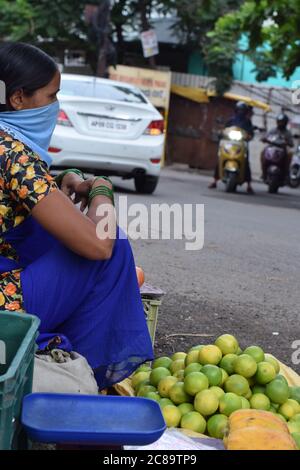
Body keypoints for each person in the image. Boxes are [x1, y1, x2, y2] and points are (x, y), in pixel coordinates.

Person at [0, 42, 153, 389]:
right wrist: (102, 190)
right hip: (3, 304)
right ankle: (86, 368)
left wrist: (59, 182)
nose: (56, 106)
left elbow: (15, 197)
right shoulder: (12, 154)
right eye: (52, 96)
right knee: (111, 246)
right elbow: (98, 246)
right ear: (18, 99)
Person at [208, 101, 255, 194]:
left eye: (242, 110)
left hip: (241, 143)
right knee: (220, 158)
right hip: (230, 143)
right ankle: (215, 181)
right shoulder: (231, 120)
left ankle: (249, 185)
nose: (241, 112)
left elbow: (251, 133)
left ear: (245, 112)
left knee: (246, 161)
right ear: (236, 110)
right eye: (239, 110)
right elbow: (224, 130)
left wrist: (249, 136)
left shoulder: (247, 122)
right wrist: (221, 133)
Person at [261, 113, 294, 180]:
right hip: (271, 148)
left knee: (289, 155)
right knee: (263, 152)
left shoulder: (287, 133)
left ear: (285, 123)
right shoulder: (273, 130)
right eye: (279, 122)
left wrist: (288, 143)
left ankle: (286, 173)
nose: (280, 123)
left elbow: (291, 143)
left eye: (282, 122)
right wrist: (264, 139)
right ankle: (264, 173)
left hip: (282, 149)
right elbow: (266, 136)